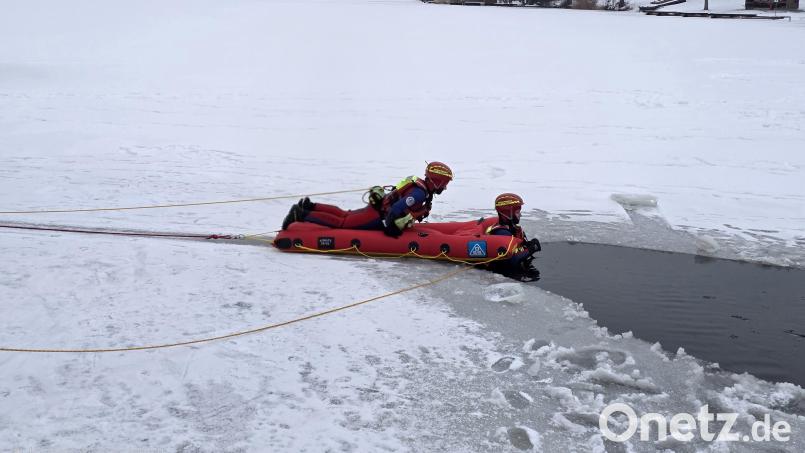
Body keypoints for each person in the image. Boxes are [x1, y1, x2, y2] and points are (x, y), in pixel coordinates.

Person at [281, 162, 454, 237]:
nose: (444, 188)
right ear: (437, 181)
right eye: (444, 184)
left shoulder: (420, 186)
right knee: (342, 222)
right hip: (378, 215)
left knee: (345, 215)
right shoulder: (419, 194)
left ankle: (310, 206)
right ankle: (301, 214)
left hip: (378, 209)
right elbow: (397, 208)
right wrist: (390, 227)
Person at [487, 193, 541, 266]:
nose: (520, 215)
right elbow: (510, 261)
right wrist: (531, 249)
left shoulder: (513, 228)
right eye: (517, 212)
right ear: (508, 213)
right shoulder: (502, 233)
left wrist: (528, 244)